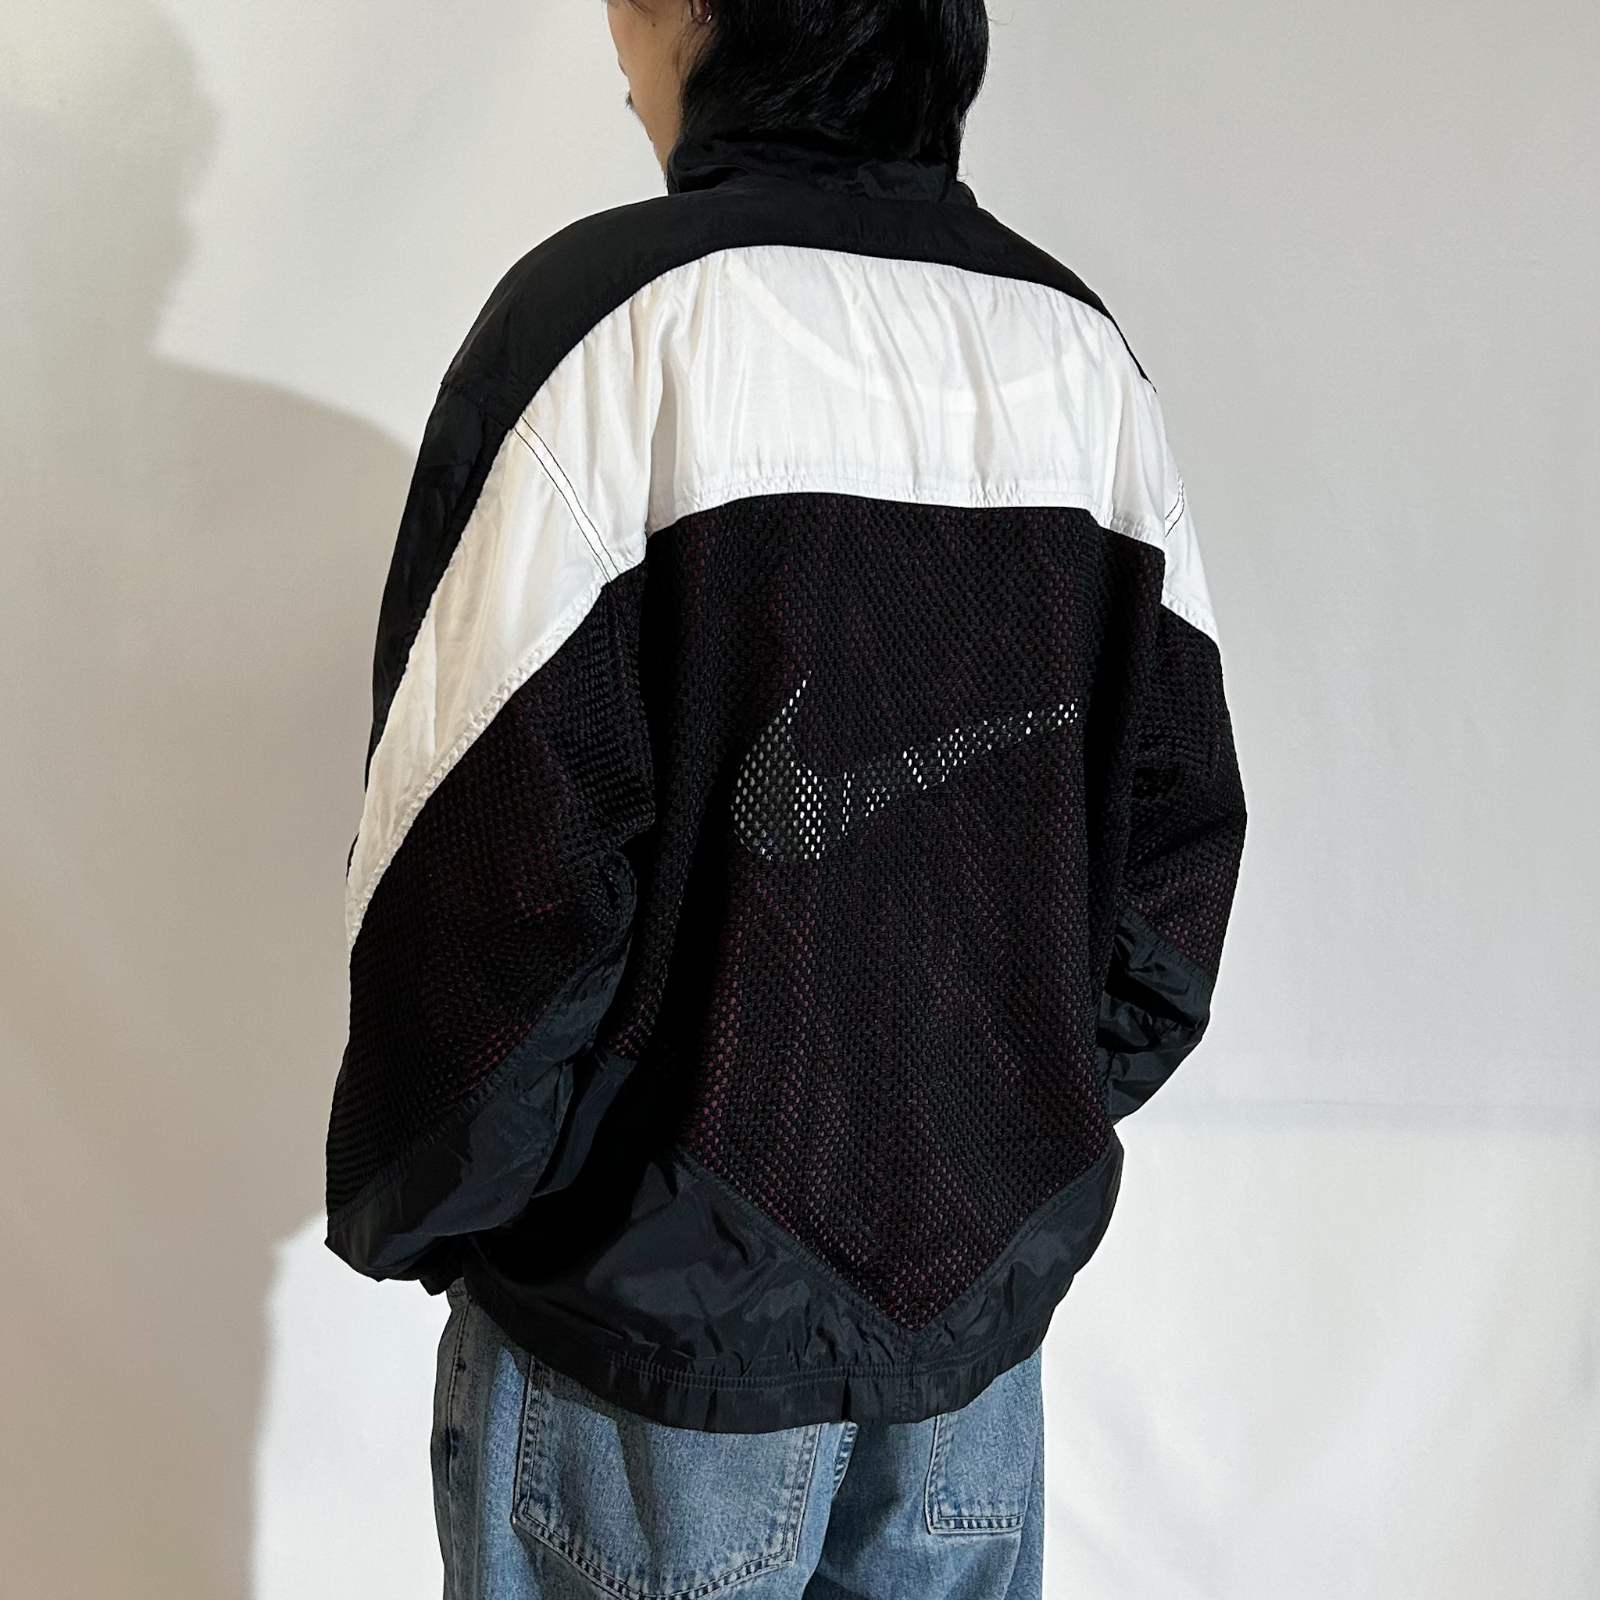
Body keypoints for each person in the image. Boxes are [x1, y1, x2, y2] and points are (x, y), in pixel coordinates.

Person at [321, 0, 1249, 1592]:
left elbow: (484, 871)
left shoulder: (613, 330)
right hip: (966, 1364)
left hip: (650, 1358)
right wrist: (997, 1133)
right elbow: (1171, 860)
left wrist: (469, 1209)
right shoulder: (1079, 358)